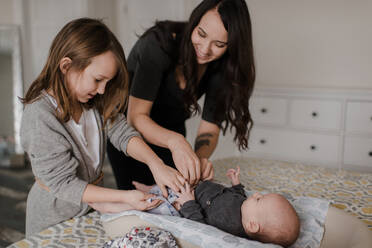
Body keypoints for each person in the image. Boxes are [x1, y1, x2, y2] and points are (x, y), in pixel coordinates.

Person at [20, 18, 186, 237]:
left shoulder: (93, 103)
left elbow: (123, 133)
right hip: (53, 219)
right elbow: (65, 184)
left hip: (91, 209)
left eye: (107, 82)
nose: (101, 90)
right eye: (98, 80)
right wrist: (125, 197)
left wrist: (156, 164)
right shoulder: (40, 116)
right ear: (66, 66)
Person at [107, 0, 256, 190]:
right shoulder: (158, 44)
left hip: (173, 140)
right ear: (194, 23)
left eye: (218, 44)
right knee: (137, 203)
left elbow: (210, 128)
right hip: (130, 137)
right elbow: (135, 118)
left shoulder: (224, 66)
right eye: (201, 34)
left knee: (176, 199)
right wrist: (176, 142)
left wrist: (200, 158)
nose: (205, 49)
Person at [92, 167, 300, 247]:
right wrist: (237, 183)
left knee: (156, 205)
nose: (256, 195)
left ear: (253, 226)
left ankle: (111, 207)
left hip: (181, 203)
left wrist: (187, 202)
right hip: (193, 188)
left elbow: (200, 225)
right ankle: (150, 187)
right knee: (171, 180)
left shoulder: (229, 223)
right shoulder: (245, 207)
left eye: (260, 200)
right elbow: (238, 196)